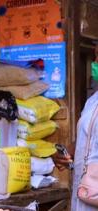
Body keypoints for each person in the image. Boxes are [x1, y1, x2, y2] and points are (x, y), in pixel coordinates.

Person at [52, 44, 98, 211]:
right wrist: (67, 152)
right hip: (83, 195)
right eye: (96, 56)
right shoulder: (92, 101)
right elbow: (86, 139)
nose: (96, 62)